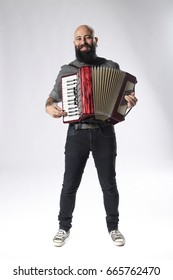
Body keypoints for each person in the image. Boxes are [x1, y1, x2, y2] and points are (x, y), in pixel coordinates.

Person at [45, 24, 138, 247]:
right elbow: (50, 101)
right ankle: (63, 227)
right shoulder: (67, 71)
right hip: (76, 134)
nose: (83, 42)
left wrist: (130, 102)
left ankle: (113, 228)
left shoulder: (111, 66)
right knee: (69, 184)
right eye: (79, 39)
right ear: (74, 43)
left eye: (88, 38)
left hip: (105, 133)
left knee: (109, 184)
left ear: (95, 41)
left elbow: (125, 100)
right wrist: (50, 109)